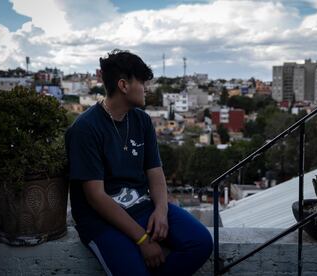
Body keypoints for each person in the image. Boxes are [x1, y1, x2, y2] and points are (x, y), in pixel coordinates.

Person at [65, 49, 213, 275]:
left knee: (201, 242)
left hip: (143, 206)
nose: (146, 88)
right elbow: (96, 197)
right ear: (124, 85)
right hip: (101, 221)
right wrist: (143, 239)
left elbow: (155, 173)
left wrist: (162, 211)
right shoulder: (85, 128)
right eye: (142, 82)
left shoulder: (141, 120)